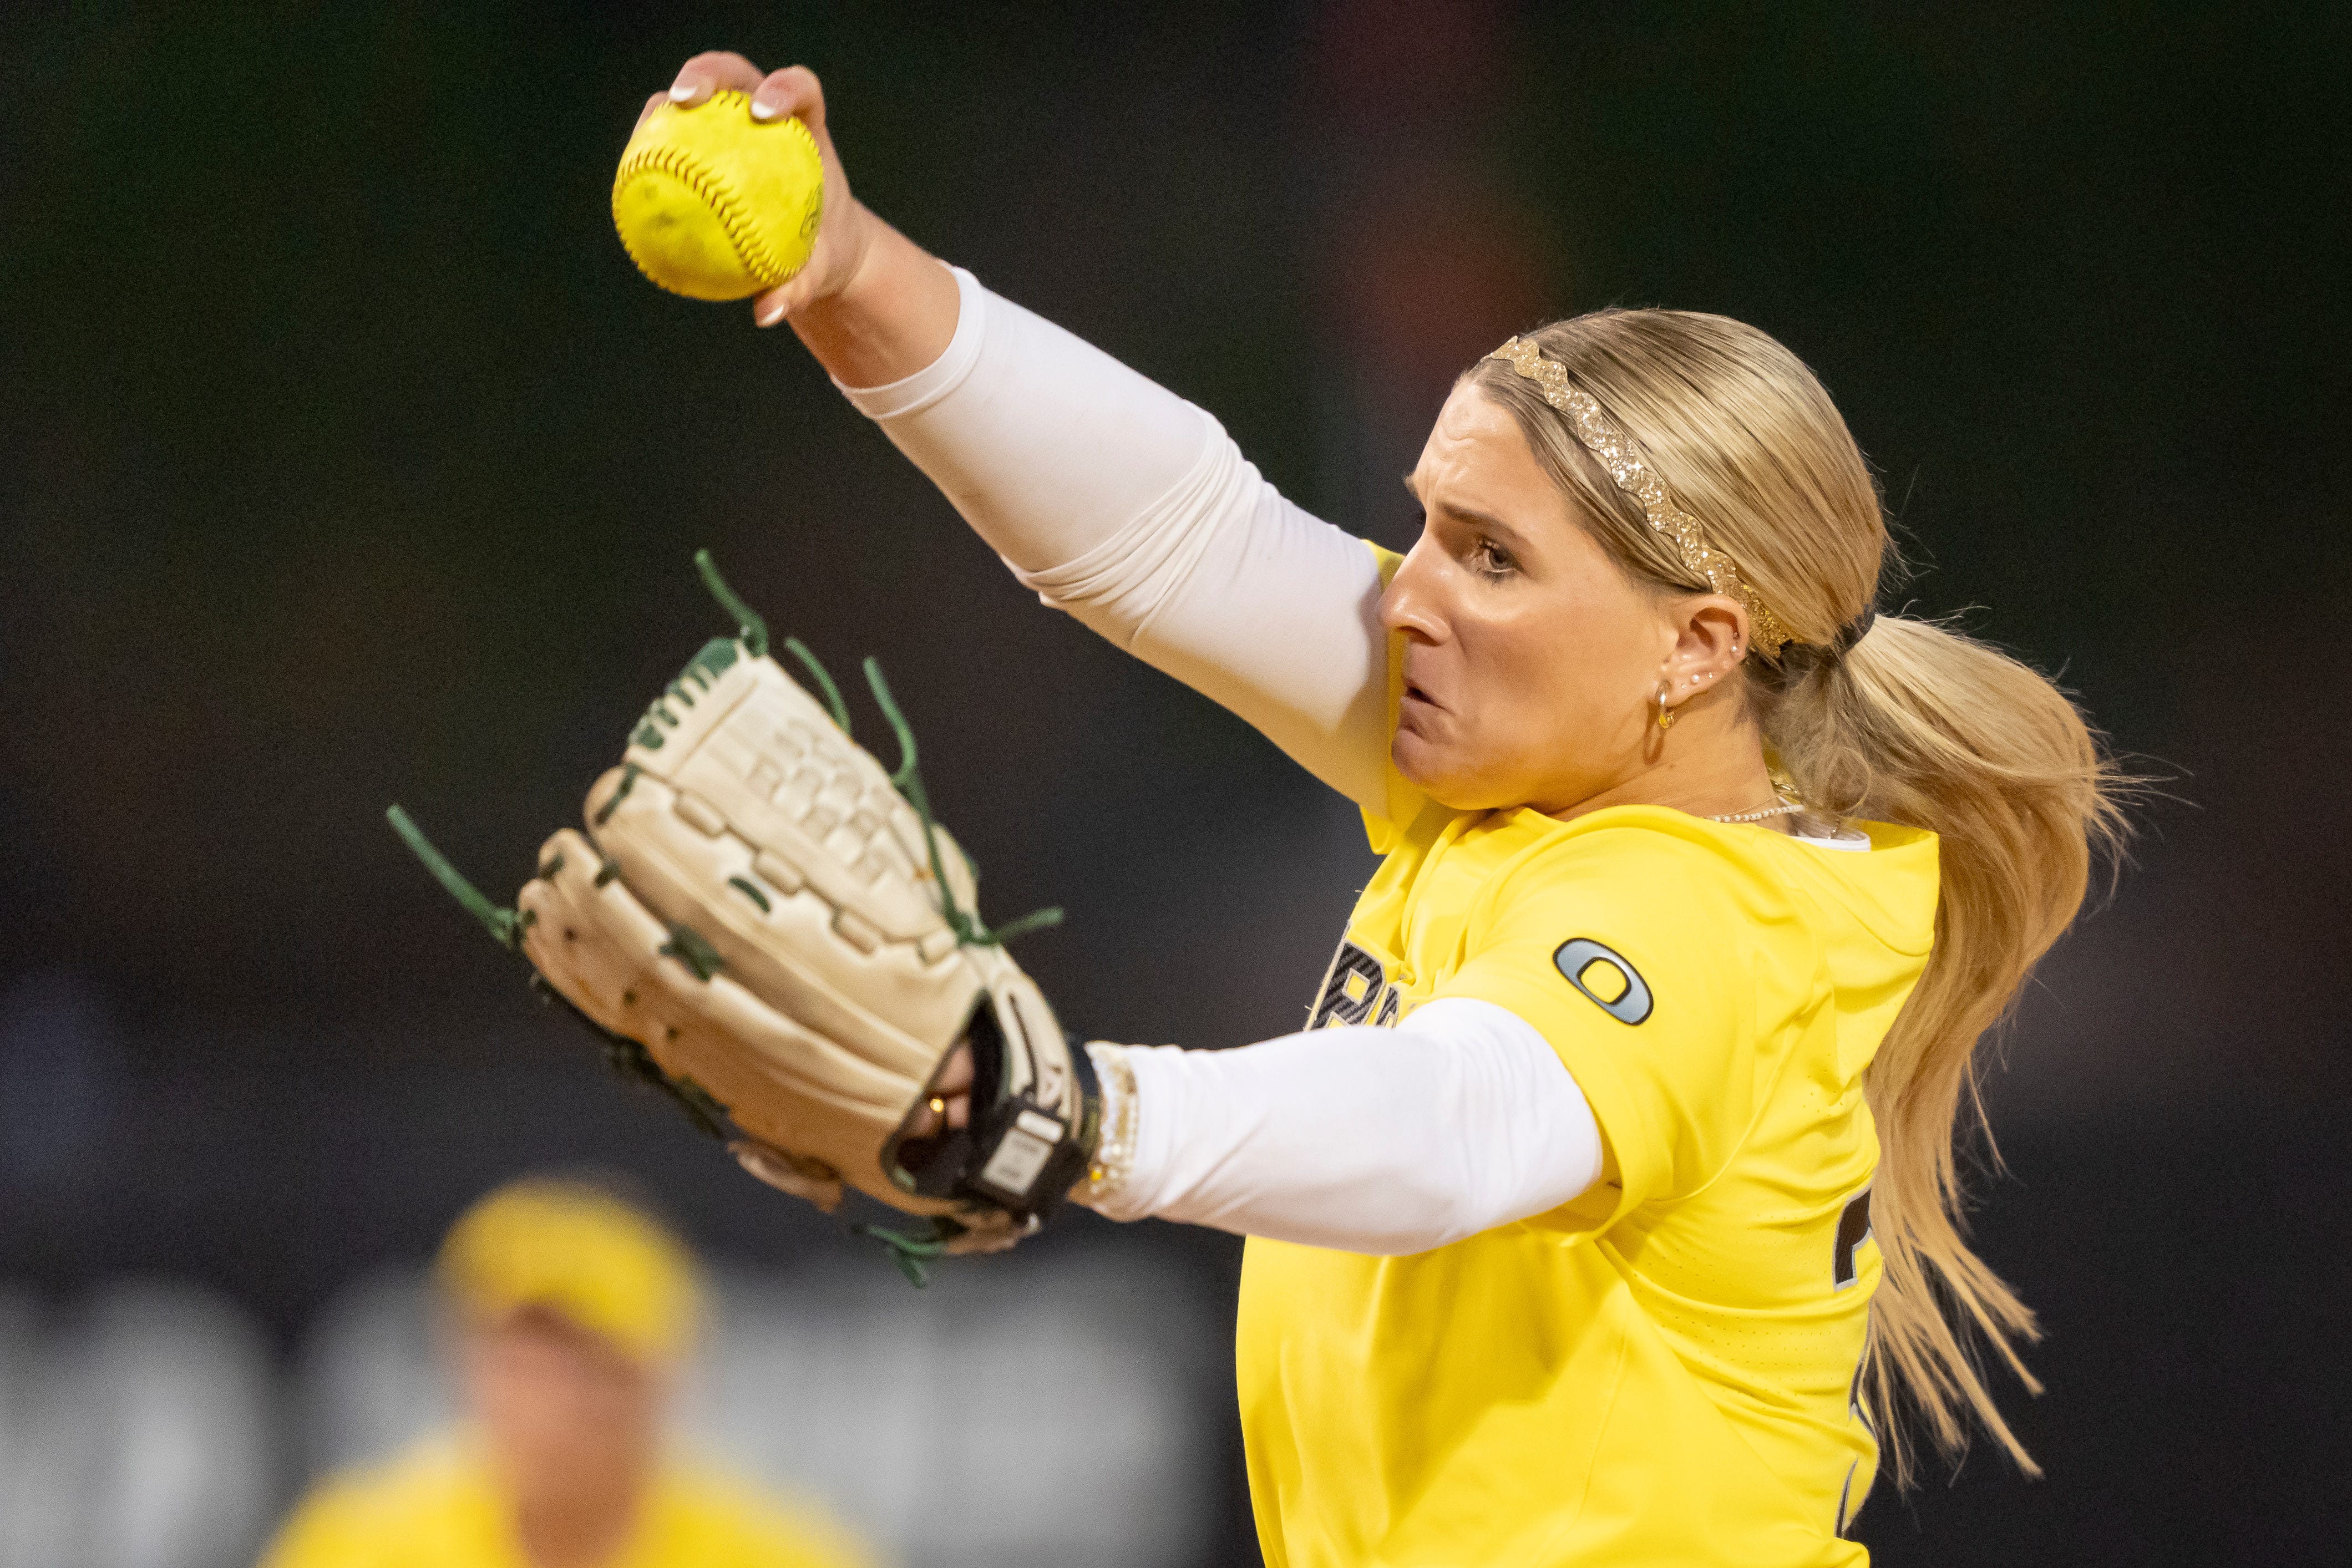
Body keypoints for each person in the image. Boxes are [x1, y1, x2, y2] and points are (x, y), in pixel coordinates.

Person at [653, 52, 2123, 1566]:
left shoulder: (1728, 920)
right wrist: (852, 271)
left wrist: (1083, 1112)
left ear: (1699, 643)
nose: (1408, 590)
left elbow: (1460, 1122)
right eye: (1427, 520)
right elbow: (1181, 537)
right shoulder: (1513, 772)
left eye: (1491, 555)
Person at [257, 1177, 875, 1568]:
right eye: (517, 1365)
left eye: (589, 1370)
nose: (546, 1407)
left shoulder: (778, 1553)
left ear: (662, 1382)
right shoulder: (358, 1547)